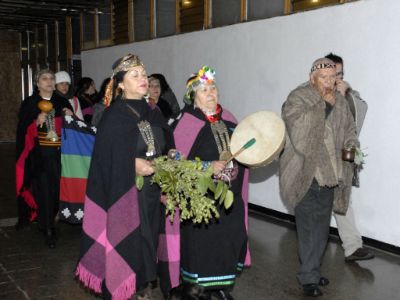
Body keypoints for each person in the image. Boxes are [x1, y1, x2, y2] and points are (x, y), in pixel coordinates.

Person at [75, 54, 173, 300]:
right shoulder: (115, 115)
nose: (143, 79)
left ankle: (140, 288)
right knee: (129, 244)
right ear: (120, 84)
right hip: (124, 194)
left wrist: (170, 155)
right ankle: (124, 290)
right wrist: (132, 164)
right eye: (135, 75)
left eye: (144, 73)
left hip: (151, 192)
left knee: (147, 243)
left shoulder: (153, 111)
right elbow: (103, 159)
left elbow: (166, 142)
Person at [279, 58, 358, 297]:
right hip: (304, 172)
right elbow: (299, 132)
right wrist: (323, 106)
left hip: (330, 174)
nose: (329, 82)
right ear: (313, 77)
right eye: (323, 77)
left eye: (332, 77)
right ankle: (309, 277)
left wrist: (353, 146)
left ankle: (311, 268)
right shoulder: (298, 97)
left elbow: (349, 129)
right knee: (307, 227)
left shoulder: (341, 101)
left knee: (322, 227)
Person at [170, 66, 249, 300]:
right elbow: (173, 164)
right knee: (202, 246)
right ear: (193, 97)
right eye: (204, 90)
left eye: (213, 88)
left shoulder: (230, 119)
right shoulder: (186, 122)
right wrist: (205, 167)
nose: (211, 93)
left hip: (229, 198)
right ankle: (197, 289)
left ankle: (221, 286)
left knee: (228, 242)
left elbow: (243, 150)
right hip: (200, 200)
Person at [324, 53, 374, 262]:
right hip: (320, 160)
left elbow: (361, 109)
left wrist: (345, 96)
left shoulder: (348, 93)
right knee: (318, 205)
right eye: (334, 73)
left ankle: (352, 247)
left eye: (341, 73)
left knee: (343, 201)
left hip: (342, 159)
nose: (338, 78)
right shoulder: (313, 94)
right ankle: (311, 249)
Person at [15, 69, 73, 248]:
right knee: (44, 191)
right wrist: (35, 121)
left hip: (59, 156)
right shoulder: (30, 103)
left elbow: (73, 128)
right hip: (39, 157)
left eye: (51, 78)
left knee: (56, 192)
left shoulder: (61, 101)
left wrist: (69, 116)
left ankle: (50, 220)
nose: (49, 81)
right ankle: (48, 229)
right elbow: (22, 129)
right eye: (44, 78)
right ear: (37, 83)